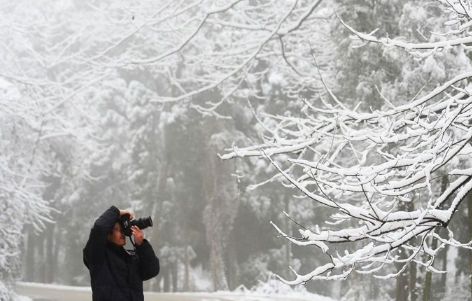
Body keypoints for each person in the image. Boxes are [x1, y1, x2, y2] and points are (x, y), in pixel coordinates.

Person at [83, 205, 160, 301]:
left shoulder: (132, 257)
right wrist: (117, 212)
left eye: (123, 229)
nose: (123, 233)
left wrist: (141, 244)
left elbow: (152, 270)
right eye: (118, 229)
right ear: (108, 234)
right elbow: (99, 229)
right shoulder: (98, 256)